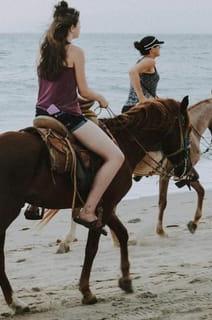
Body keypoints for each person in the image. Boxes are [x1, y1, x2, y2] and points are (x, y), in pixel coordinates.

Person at [35, 1, 124, 231]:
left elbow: (52, 90)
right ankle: (88, 210)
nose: (80, 29)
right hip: (67, 117)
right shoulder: (75, 52)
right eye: (79, 25)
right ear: (71, 27)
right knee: (116, 157)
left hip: (42, 113)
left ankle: (34, 204)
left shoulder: (44, 50)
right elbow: (83, 91)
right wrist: (100, 98)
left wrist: (76, 100)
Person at [121, 35, 163, 113]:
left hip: (133, 107)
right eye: (158, 46)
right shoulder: (149, 61)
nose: (160, 48)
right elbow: (132, 72)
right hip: (138, 109)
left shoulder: (144, 61)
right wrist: (141, 98)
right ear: (152, 49)